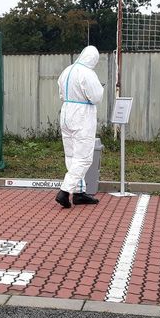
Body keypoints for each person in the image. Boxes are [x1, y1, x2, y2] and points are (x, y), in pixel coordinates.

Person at [55, 45, 104, 208]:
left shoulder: (67, 70)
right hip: (82, 114)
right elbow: (96, 97)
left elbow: (61, 94)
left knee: (71, 154)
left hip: (66, 111)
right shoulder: (88, 73)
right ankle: (65, 191)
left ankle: (79, 192)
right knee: (83, 157)